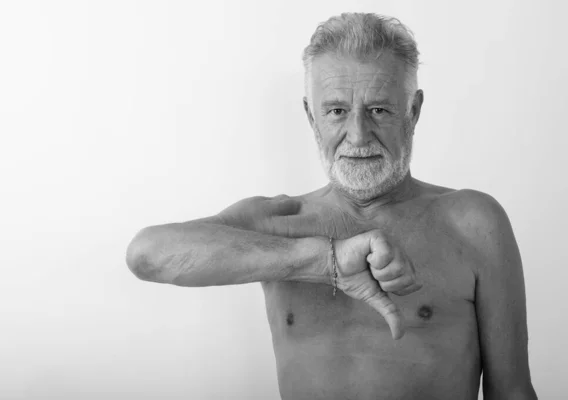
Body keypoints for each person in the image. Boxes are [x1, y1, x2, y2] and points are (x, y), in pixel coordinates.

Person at [125, 12, 537, 400]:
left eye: (379, 110)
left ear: (413, 111)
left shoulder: (473, 222)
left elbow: (513, 392)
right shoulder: (279, 221)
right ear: (311, 116)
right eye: (337, 111)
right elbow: (147, 255)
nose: (358, 136)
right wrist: (326, 262)